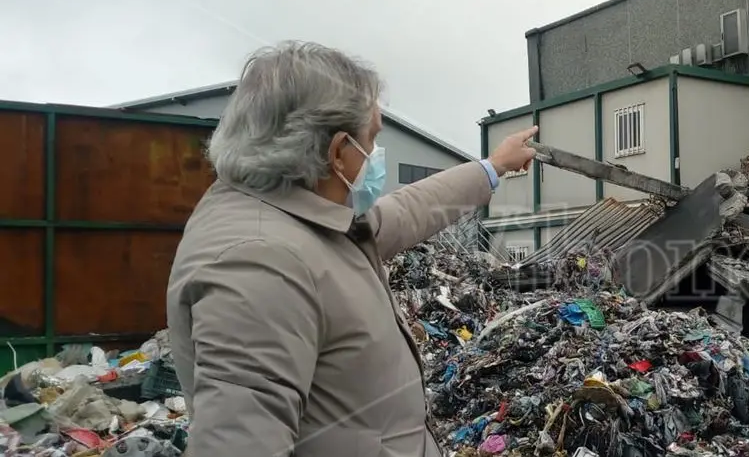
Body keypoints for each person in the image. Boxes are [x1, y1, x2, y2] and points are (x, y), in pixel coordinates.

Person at [165, 41, 537, 457]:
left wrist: (494, 166)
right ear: (338, 152)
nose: (376, 157)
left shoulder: (299, 216)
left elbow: (405, 212)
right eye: (372, 139)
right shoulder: (258, 263)